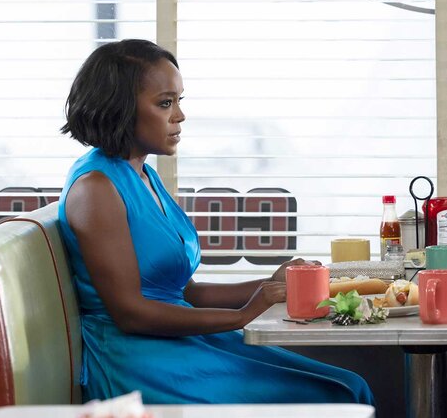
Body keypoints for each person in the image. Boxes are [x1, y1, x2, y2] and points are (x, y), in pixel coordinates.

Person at [57, 39, 375, 406]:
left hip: (177, 340)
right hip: (137, 359)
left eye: (179, 101)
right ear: (120, 109)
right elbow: (131, 314)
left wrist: (270, 283)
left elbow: (187, 293)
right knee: (337, 395)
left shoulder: (143, 174)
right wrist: (242, 316)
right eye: (165, 103)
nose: (179, 116)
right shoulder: (96, 188)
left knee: (349, 387)